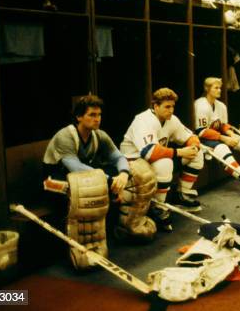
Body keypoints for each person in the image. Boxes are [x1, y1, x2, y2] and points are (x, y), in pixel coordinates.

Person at [43, 95, 156, 269]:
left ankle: (128, 226)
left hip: (84, 179)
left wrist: (123, 174)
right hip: (54, 183)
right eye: (92, 115)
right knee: (90, 187)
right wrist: (111, 181)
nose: (97, 119)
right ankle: (83, 247)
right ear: (79, 117)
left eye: (99, 115)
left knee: (138, 172)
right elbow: (75, 167)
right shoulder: (65, 136)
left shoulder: (99, 135)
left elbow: (118, 157)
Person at [120, 88, 204, 231]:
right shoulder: (143, 120)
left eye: (172, 106)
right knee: (165, 163)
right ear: (155, 106)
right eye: (167, 107)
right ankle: (157, 208)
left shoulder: (171, 119)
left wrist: (194, 146)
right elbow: (150, 153)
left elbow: (190, 137)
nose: (171, 110)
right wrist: (179, 151)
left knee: (196, 154)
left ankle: (181, 195)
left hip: (152, 163)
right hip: (133, 164)